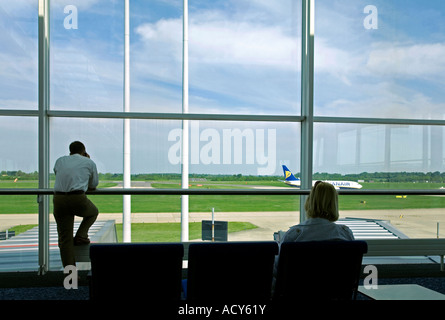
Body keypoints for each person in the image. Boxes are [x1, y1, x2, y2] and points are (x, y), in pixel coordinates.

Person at [272, 181, 354, 290]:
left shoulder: (294, 235)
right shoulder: (345, 234)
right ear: (334, 204)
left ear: (309, 202)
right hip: (335, 293)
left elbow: (278, 270)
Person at [53, 141, 99, 268]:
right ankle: (81, 235)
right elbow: (93, 185)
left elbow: (60, 174)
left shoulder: (60, 161)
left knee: (65, 240)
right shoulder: (89, 162)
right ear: (84, 151)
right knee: (93, 212)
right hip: (77, 197)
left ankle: (71, 276)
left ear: (70, 151)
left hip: (58, 199)